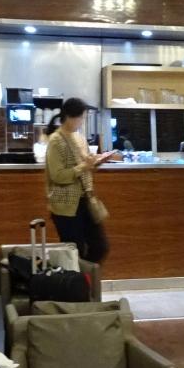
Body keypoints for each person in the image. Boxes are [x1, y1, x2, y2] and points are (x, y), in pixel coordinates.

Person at [46, 97, 114, 264]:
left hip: (86, 200)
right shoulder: (56, 140)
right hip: (65, 205)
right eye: (81, 118)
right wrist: (84, 166)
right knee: (74, 252)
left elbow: (85, 164)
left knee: (100, 246)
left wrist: (96, 161)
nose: (82, 122)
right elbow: (57, 176)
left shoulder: (80, 138)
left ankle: (85, 277)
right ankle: (78, 279)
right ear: (70, 117)